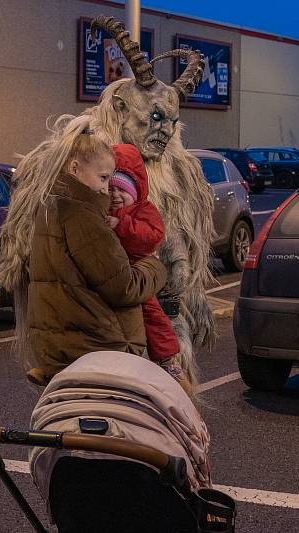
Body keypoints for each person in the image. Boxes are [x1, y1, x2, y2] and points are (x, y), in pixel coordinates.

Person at [25, 128, 168, 385]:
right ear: (75, 168)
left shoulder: (49, 207)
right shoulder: (84, 216)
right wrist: (155, 265)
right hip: (101, 350)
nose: (105, 190)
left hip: (59, 348)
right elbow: (124, 288)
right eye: (103, 178)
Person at [106, 143, 191, 393]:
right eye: (109, 188)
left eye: (121, 189)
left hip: (137, 272)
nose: (115, 195)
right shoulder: (103, 210)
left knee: (153, 316)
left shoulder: (144, 210)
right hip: (116, 273)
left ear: (136, 189)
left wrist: (121, 223)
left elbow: (151, 237)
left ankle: (168, 360)